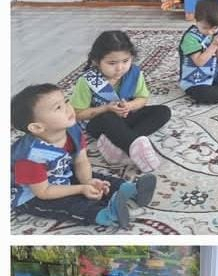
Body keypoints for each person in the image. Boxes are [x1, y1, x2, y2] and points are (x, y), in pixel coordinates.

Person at [11, 84, 157, 230]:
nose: (68, 108)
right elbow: (44, 192)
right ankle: (107, 215)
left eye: (66, 101)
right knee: (68, 204)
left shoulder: (71, 129)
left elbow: (81, 161)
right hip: (33, 194)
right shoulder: (29, 157)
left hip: (59, 173)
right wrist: (81, 188)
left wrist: (87, 181)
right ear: (37, 127)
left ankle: (131, 190)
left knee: (96, 178)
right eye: (58, 107)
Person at [70, 30, 171, 172]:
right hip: (100, 122)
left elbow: (142, 98)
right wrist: (106, 108)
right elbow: (77, 114)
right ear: (96, 61)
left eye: (125, 61)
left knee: (163, 112)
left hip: (125, 116)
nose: (120, 68)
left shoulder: (134, 74)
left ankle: (119, 145)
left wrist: (129, 105)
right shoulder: (86, 81)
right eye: (112, 63)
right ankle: (132, 145)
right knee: (108, 117)